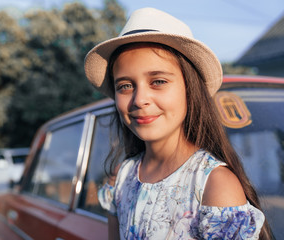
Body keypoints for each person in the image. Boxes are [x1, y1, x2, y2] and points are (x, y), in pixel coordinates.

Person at [84, 7, 272, 240]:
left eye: (158, 81)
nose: (140, 99)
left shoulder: (213, 186)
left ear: (189, 90)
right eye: (125, 85)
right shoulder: (121, 177)